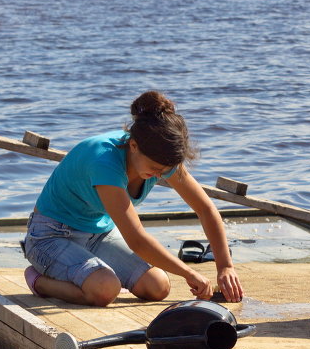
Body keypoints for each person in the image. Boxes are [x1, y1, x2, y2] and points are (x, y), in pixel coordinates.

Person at [22, 90, 244, 307]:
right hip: (50, 236)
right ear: (134, 146)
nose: (160, 175)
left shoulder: (160, 156)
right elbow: (136, 239)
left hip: (98, 233)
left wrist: (225, 266)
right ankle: (39, 281)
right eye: (155, 169)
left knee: (158, 287)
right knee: (106, 289)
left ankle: (87, 270)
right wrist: (189, 273)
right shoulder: (104, 161)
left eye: (165, 170)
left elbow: (205, 209)